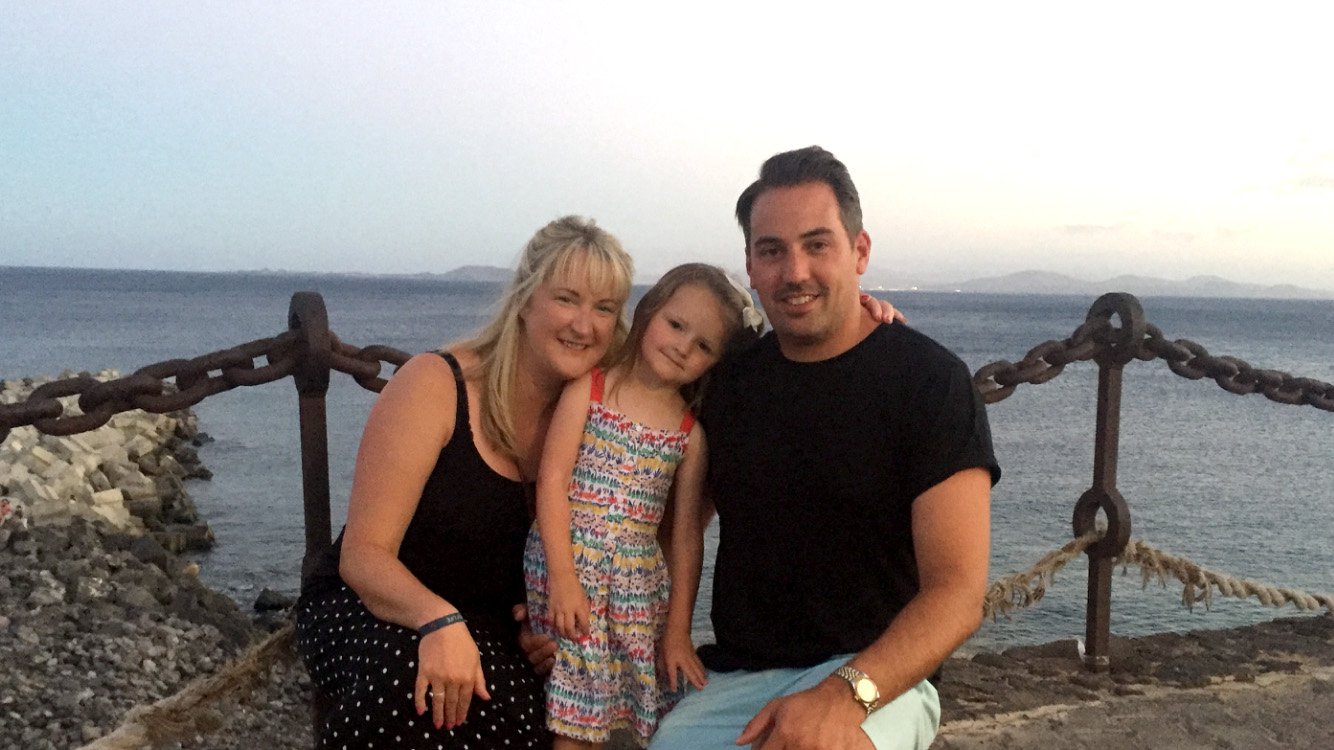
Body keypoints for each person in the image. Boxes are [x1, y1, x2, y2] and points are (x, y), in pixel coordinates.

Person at [648, 147, 1001, 750]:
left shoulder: (927, 383)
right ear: (751, 268)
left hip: (875, 677)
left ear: (859, 251)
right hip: (737, 677)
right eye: (772, 250)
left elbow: (958, 591)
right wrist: (571, 608)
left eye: (818, 245)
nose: (795, 272)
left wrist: (842, 694)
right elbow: (662, 522)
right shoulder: (728, 383)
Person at [294, 215, 635, 750]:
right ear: (525, 300)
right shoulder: (437, 385)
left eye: (605, 308)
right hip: (372, 604)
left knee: (516, 723)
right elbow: (363, 556)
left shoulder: (595, 428)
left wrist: (538, 628)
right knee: (410, 696)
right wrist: (436, 621)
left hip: (488, 631)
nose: (584, 325)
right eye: (567, 298)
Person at [523, 264, 764, 749]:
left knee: (634, 700)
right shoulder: (589, 390)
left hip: (638, 581)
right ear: (649, 310)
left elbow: (684, 538)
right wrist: (565, 580)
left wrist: (677, 631)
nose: (682, 346)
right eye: (676, 325)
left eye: (703, 346)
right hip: (571, 563)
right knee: (577, 707)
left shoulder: (688, 434)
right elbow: (551, 483)